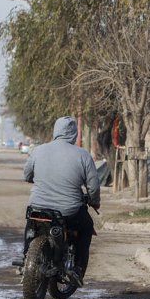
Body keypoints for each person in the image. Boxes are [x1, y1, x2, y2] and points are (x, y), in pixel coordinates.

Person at [23, 117, 100, 285]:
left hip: (37, 207)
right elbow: (93, 186)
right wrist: (94, 201)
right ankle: (78, 269)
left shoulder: (38, 150)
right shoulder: (83, 155)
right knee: (86, 226)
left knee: (31, 225)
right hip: (68, 211)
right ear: (74, 134)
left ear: (55, 131)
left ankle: (24, 258)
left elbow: (27, 175)